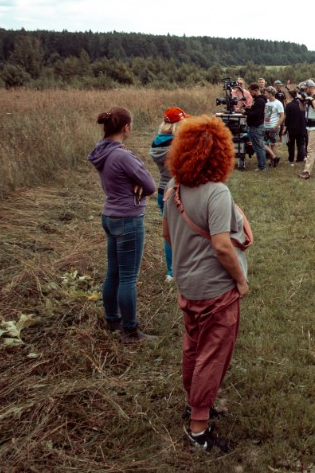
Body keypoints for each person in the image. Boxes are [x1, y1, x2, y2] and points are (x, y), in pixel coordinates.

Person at [163, 114, 250, 453]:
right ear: (222, 154)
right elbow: (222, 245)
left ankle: (194, 401)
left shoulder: (173, 188)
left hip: (188, 285)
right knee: (213, 355)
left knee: (193, 347)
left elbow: (167, 234)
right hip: (216, 290)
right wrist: (240, 282)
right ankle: (199, 427)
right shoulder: (217, 192)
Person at [88, 107, 158, 344]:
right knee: (128, 277)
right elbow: (149, 185)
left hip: (110, 216)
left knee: (114, 273)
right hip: (128, 218)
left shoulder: (102, 151)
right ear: (126, 127)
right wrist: (137, 185)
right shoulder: (123, 156)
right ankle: (130, 331)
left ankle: (112, 320)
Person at [150, 106, 187, 282]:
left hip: (162, 190)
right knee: (184, 231)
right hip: (178, 190)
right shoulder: (177, 144)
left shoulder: (157, 142)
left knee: (169, 233)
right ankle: (180, 268)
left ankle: (172, 270)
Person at [245, 83, 268, 171]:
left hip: (257, 126)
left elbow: (257, 114)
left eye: (251, 92)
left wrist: (245, 112)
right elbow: (255, 111)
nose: (250, 94)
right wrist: (248, 108)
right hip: (255, 126)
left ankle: (262, 166)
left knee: (259, 147)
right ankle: (261, 165)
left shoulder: (260, 101)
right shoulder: (258, 100)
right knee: (257, 146)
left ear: (256, 90)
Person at [282, 87, 307, 165]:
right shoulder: (302, 104)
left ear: (290, 96)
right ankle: (300, 157)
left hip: (292, 128)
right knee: (300, 144)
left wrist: (285, 128)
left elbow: (287, 118)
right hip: (301, 127)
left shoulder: (289, 106)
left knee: (291, 145)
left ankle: (291, 159)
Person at [263, 87, 284, 167]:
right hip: (265, 125)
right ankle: (274, 157)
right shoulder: (267, 103)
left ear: (271, 94)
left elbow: (282, 116)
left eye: (266, 93)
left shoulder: (278, 103)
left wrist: (276, 126)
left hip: (273, 126)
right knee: (264, 143)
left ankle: (272, 161)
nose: (265, 94)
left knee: (272, 144)